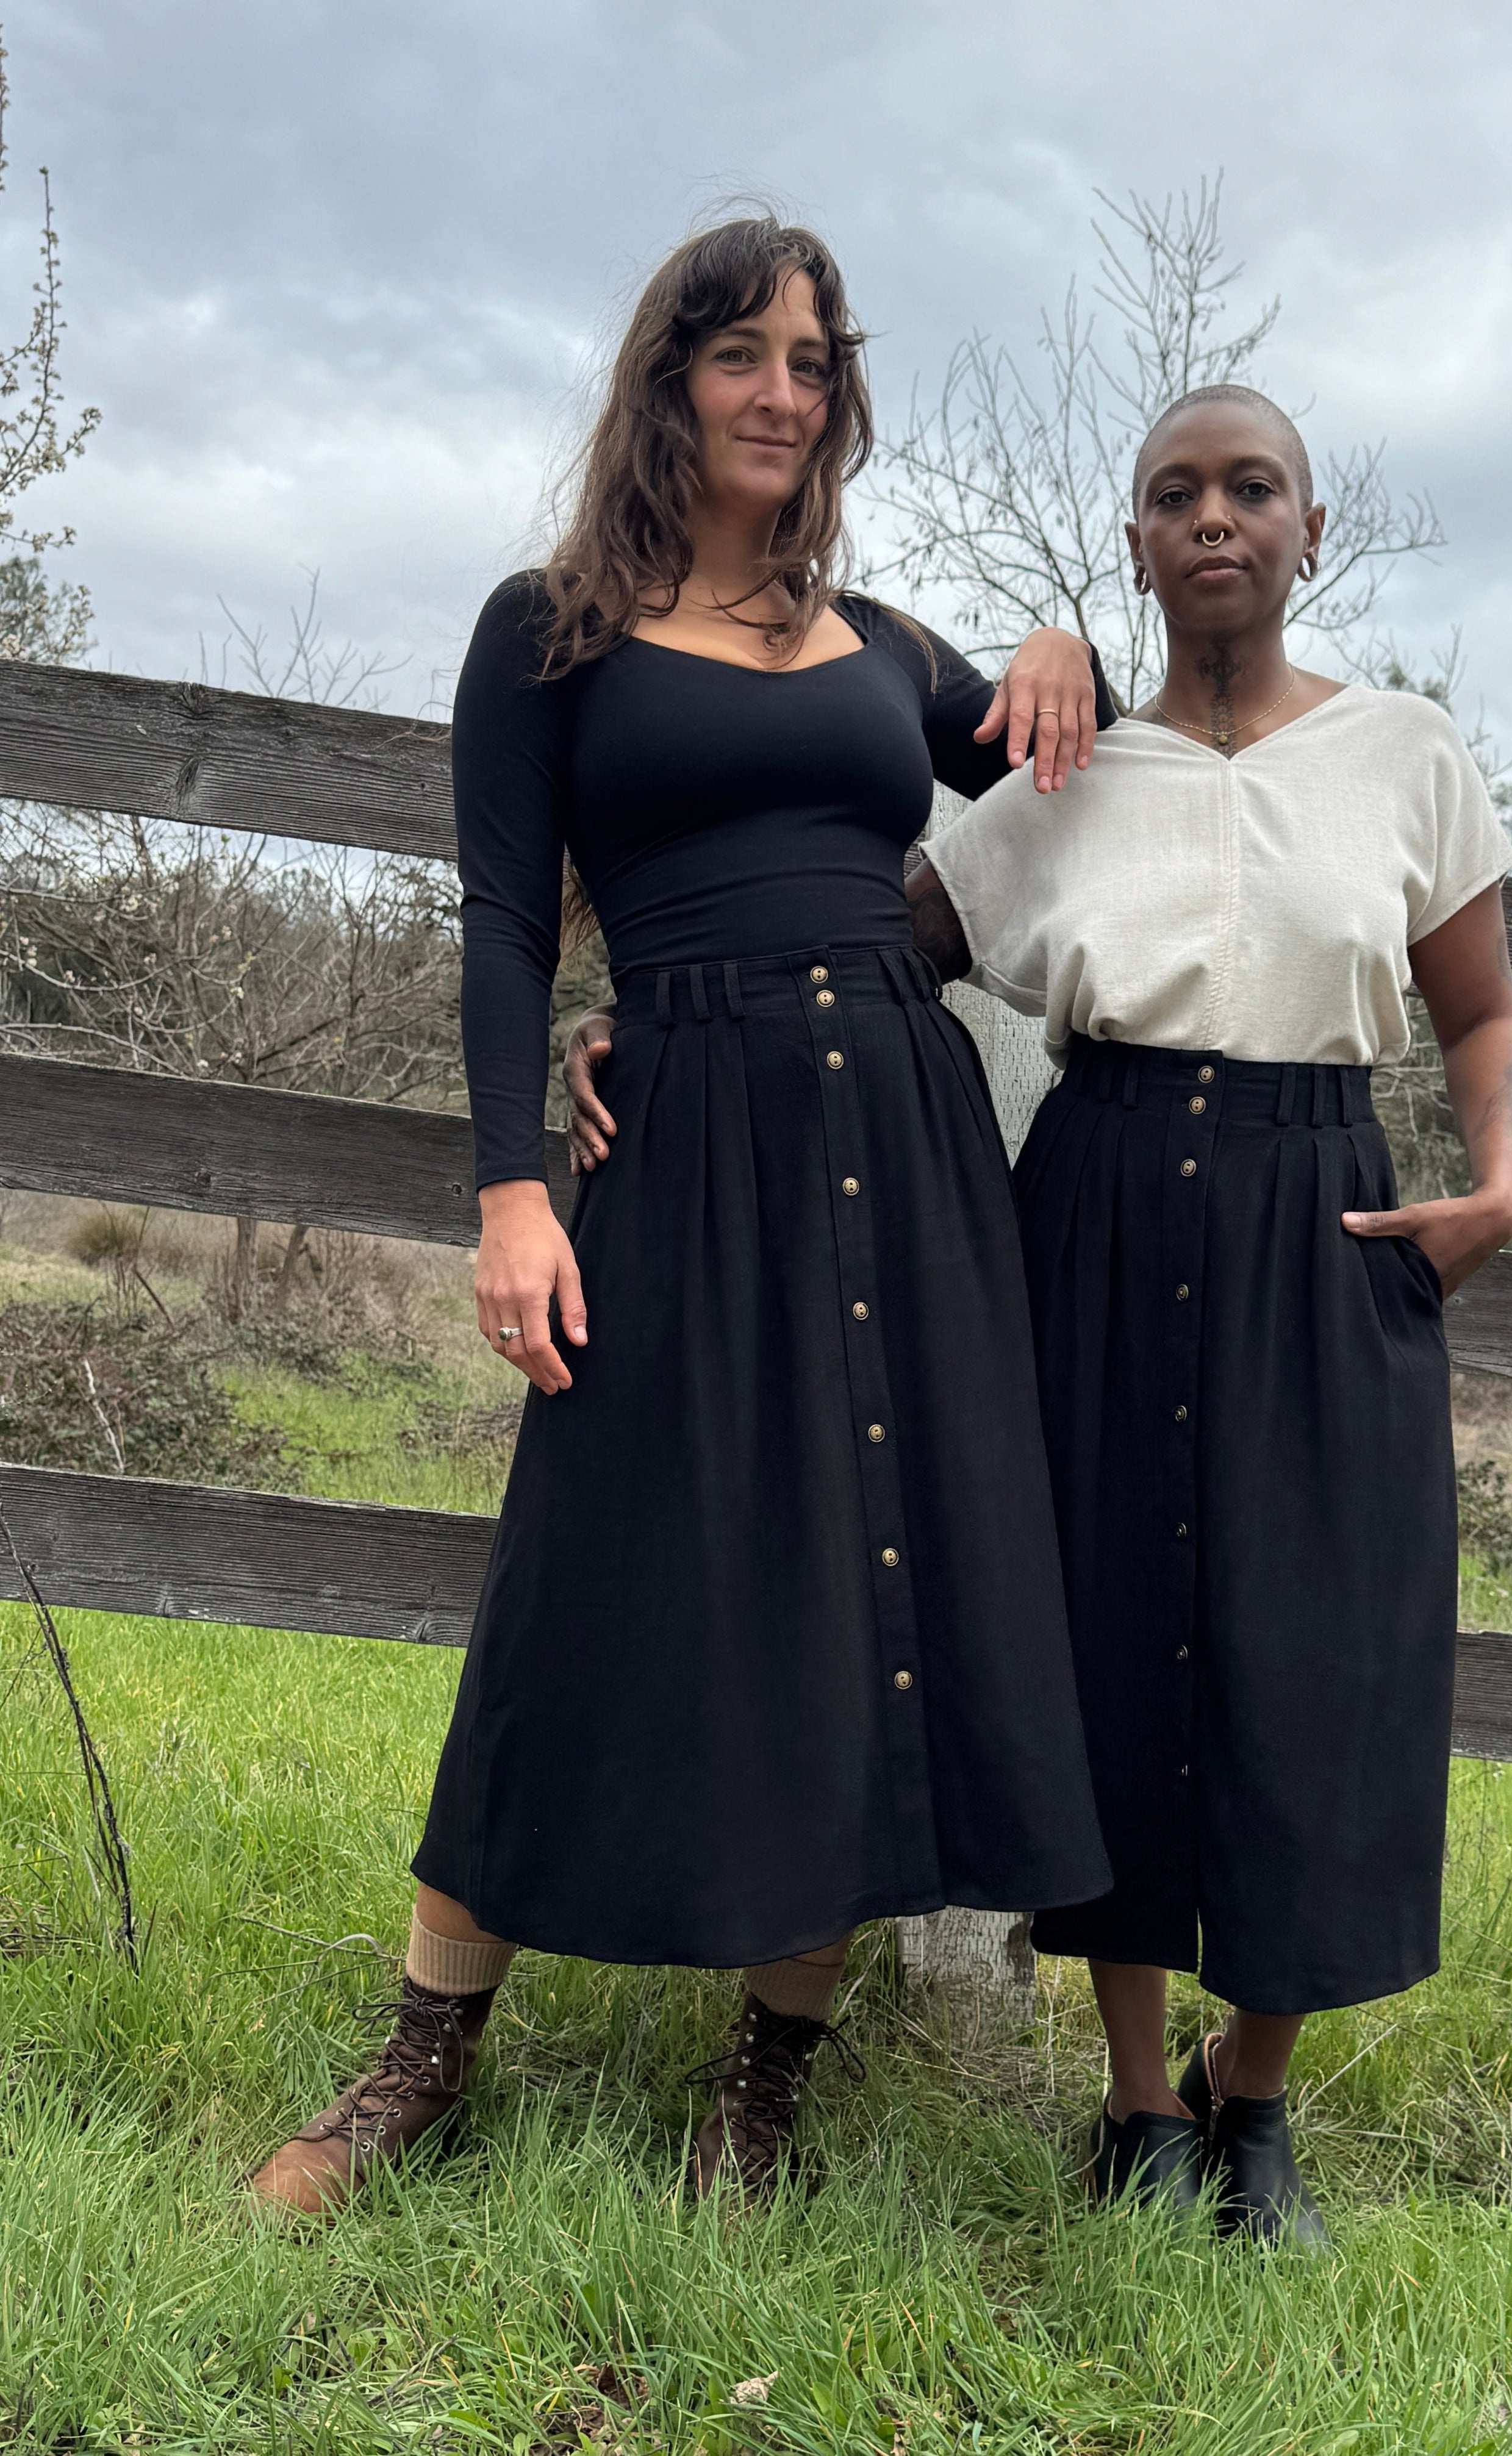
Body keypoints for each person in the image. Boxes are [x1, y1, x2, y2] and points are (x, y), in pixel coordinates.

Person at [248, 215, 1114, 2221]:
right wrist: (511, 1187)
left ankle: (764, 2078)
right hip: (680, 1144)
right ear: (670, 379)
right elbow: (498, 919)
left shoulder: (885, 650)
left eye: (814, 363)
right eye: (744, 355)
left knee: (864, 1577)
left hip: (898, 1136)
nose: (782, 394)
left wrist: (1065, 641)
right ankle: (424, 2053)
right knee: (580, 1571)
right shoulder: (547, 628)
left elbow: (1067, 767)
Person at [900, 384, 1512, 2241]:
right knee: (1109, 1633)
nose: (1213, 518)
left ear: (1309, 529)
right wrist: (655, 1016)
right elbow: (878, 950)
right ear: (1134, 540)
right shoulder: (1066, 772)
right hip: (1095, 1204)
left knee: (1314, 1649)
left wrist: (1499, 1181)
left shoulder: (1405, 755)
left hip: (1319, 1213)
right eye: (1175, 492)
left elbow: (1483, 1013)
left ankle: (1251, 2100)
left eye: (1251, 488)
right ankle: (1134, 2107)